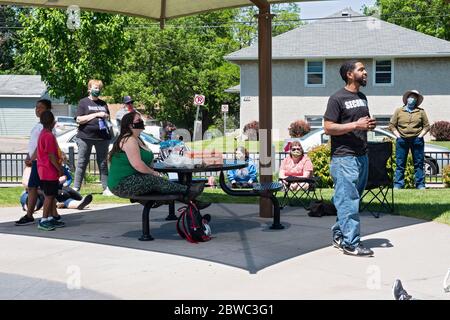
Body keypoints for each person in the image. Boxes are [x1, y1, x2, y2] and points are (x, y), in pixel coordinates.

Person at [323, 60, 377, 257]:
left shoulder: (362, 97)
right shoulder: (337, 98)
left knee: (350, 201)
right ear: (349, 74)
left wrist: (368, 125)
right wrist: (355, 125)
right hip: (344, 158)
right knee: (348, 201)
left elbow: (361, 123)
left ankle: (340, 235)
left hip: (362, 155)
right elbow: (328, 127)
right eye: (361, 69)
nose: (365, 72)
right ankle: (351, 244)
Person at [107, 111, 204, 204]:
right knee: (154, 180)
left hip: (134, 178)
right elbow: (137, 164)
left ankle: (193, 203)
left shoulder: (138, 139)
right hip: (121, 184)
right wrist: (153, 173)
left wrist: (153, 170)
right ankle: (189, 190)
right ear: (130, 125)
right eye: (138, 120)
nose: (141, 122)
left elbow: (147, 161)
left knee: (161, 183)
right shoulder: (129, 140)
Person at [15, 99, 53, 226]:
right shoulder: (38, 125)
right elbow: (33, 145)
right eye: (36, 107)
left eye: (41, 107)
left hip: (40, 162)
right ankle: (53, 215)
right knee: (43, 190)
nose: (38, 110)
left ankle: (31, 215)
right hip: (36, 161)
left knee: (38, 189)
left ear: (48, 110)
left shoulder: (45, 127)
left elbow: (41, 147)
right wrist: (28, 156)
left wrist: (32, 158)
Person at [73, 79, 113, 196]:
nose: (98, 90)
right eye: (95, 88)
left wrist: (105, 116)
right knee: (82, 163)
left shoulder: (103, 104)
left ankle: (106, 189)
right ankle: (76, 188)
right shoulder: (83, 102)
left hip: (102, 138)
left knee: (103, 163)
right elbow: (79, 120)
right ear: (89, 89)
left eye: (99, 88)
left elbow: (108, 119)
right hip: (85, 137)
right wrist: (96, 114)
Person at [388, 90, 430, 190]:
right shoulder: (399, 111)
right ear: (407, 99)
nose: (412, 99)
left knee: (418, 163)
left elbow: (427, 126)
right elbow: (392, 125)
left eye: (415, 98)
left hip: (417, 140)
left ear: (416, 101)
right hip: (402, 140)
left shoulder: (421, 112)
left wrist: (420, 136)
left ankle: (420, 185)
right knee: (400, 163)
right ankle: (398, 184)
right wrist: (398, 136)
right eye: (411, 97)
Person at [36, 110, 66, 231]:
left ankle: (50, 218)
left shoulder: (42, 133)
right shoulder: (48, 136)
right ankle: (44, 220)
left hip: (43, 170)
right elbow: (51, 156)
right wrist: (59, 169)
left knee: (51, 195)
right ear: (53, 122)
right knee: (49, 196)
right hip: (49, 171)